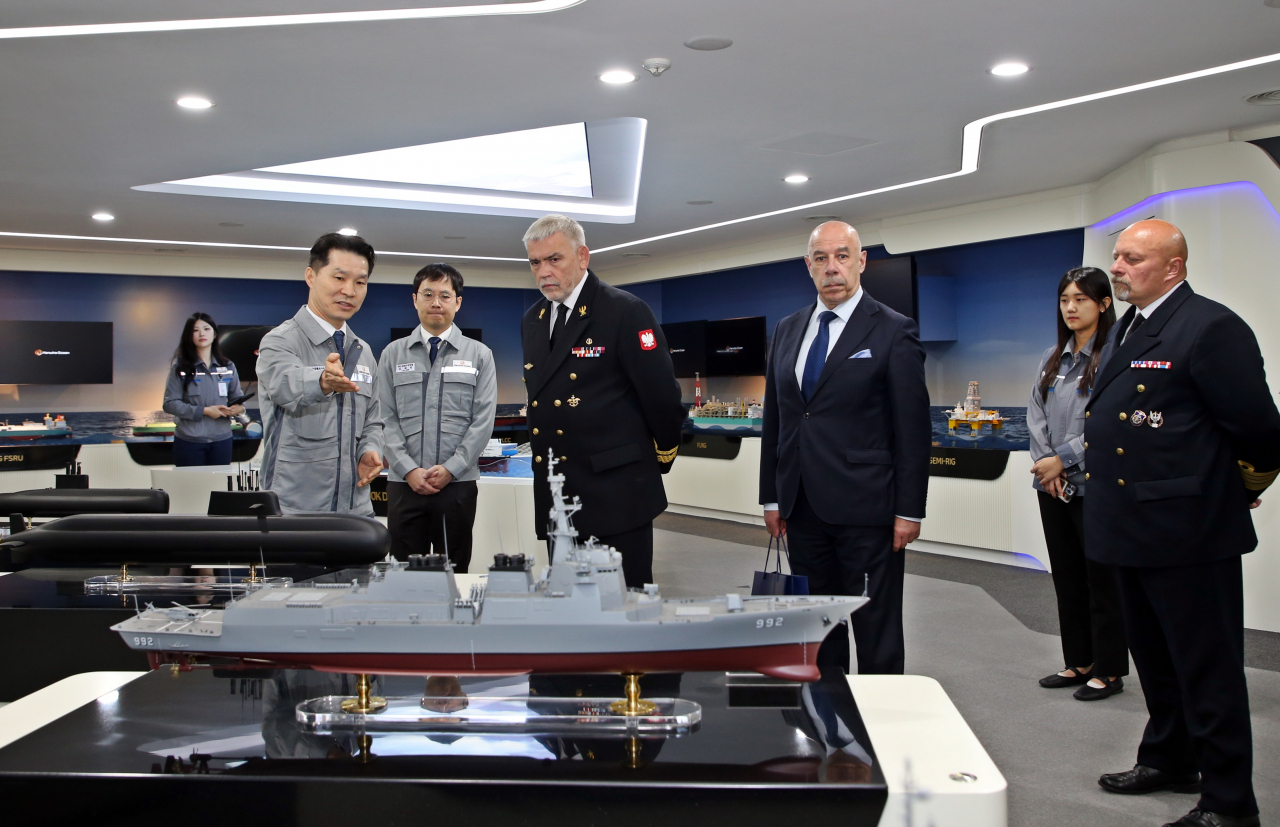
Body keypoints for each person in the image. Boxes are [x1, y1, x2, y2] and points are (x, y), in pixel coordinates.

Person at [1087, 219, 1280, 827]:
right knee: (1156, 660)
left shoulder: (1211, 327)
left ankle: (1228, 803)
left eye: (1133, 259)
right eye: (1117, 257)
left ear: (1173, 268)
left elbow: (1260, 432)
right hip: (1130, 527)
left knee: (1207, 669)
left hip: (1188, 531)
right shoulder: (1129, 326)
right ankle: (1170, 756)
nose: (1117, 267)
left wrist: (1236, 488)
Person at [759, 221, 930, 675]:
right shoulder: (787, 330)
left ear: (861, 261)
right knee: (818, 626)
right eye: (821, 258)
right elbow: (777, 420)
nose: (831, 268)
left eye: (841, 256)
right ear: (808, 266)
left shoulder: (894, 331)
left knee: (875, 628)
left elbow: (911, 429)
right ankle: (827, 719)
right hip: (801, 507)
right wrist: (771, 497)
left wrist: (909, 510)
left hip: (868, 508)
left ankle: (880, 726)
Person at [519, 214, 685, 588]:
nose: (544, 271)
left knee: (624, 608)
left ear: (582, 257)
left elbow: (662, 397)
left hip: (616, 493)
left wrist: (664, 451)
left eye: (554, 259)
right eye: (535, 262)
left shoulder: (623, 311)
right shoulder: (533, 319)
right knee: (568, 609)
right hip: (557, 491)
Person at [1027, 267, 1128, 700]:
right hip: (1053, 489)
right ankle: (1079, 661)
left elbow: (1108, 425)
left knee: (1101, 581)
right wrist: (1045, 464)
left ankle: (1108, 669)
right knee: (1066, 578)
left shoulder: (1115, 358)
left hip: (1097, 489)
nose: (1070, 307)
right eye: (1065, 299)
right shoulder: (1053, 359)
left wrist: (1062, 460)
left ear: (1104, 304)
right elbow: (1035, 418)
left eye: (1081, 299)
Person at [377, 263, 496, 573]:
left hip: (457, 486)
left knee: (454, 573)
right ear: (414, 299)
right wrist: (407, 468)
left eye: (445, 295)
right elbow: (384, 416)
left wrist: (452, 468)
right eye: (427, 294)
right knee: (403, 574)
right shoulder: (392, 354)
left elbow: (483, 420)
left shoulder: (480, 355)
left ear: (457, 302)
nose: (436, 303)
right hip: (404, 485)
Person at [257, 232, 384, 515]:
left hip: (356, 510)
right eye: (339, 278)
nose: (350, 291)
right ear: (311, 276)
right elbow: (284, 384)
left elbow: (373, 420)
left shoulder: (362, 352)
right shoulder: (280, 341)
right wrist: (322, 380)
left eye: (360, 282)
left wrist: (369, 450)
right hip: (294, 512)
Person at [163, 312, 245, 466]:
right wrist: (204, 411)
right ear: (189, 336)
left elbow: (237, 398)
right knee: (192, 488)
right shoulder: (180, 368)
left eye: (206, 329)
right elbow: (170, 404)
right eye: (195, 330)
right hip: (189, 441)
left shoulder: (228, 367)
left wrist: (238, 409)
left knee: (219, 488)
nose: (202, 333)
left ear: (214, 334)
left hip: (222, 440)